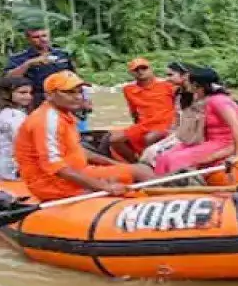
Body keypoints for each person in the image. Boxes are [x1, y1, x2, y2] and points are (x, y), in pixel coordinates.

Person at [14, 70, 155, 200]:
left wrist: (117, 165)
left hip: (78, 171)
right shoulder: (47, 120)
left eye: (79, 92)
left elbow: (81, 152)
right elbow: (55, 167)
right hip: (54, 184)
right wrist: (104, 187)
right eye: (69, 92)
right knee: (139, 174)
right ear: (49, 95)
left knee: (140, 169)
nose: (77, 97)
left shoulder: (64, 114)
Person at [152, 66, 238, 176]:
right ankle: (156, 185)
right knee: (163, 158)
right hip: (209, 141)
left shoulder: (219, 101)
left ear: (196, 85)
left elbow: (236, 126)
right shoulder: (200, 99)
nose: (185, 83)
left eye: (187, 81)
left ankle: (179, 188)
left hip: (226, 143)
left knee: (175, 159)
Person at [3, 25, 92, 129]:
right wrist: (28, 64)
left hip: (65, 100)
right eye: (36, 37)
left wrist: (84, 100)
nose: (42, 39)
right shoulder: (19, 58)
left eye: (44, 35)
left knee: (74, 130)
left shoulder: (62, 54)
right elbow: (7, 80)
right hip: (35, 101)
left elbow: (75, 79)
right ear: (28, 39)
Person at [109, 58, 180, 162]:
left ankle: (150, 164)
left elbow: (181, 104)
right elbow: (132, 111)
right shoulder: (128, 89)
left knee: (149, 138)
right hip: (144, 123)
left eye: (144, 68)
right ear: (132, 73)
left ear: (150, 69)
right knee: (114, 139)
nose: (140, 71)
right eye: (136, 70)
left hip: (164, 122)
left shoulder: (167, 85)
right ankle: (135, 162)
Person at [139, 62, 195, 165]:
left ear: (185, 75)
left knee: (153, 153)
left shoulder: (197, 94)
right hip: (178, 133)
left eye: (170, 75)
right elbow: (178, 118)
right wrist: (171, 132)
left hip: (193, 136)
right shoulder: (178, 93)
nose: (167, 79)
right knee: (148, 153)